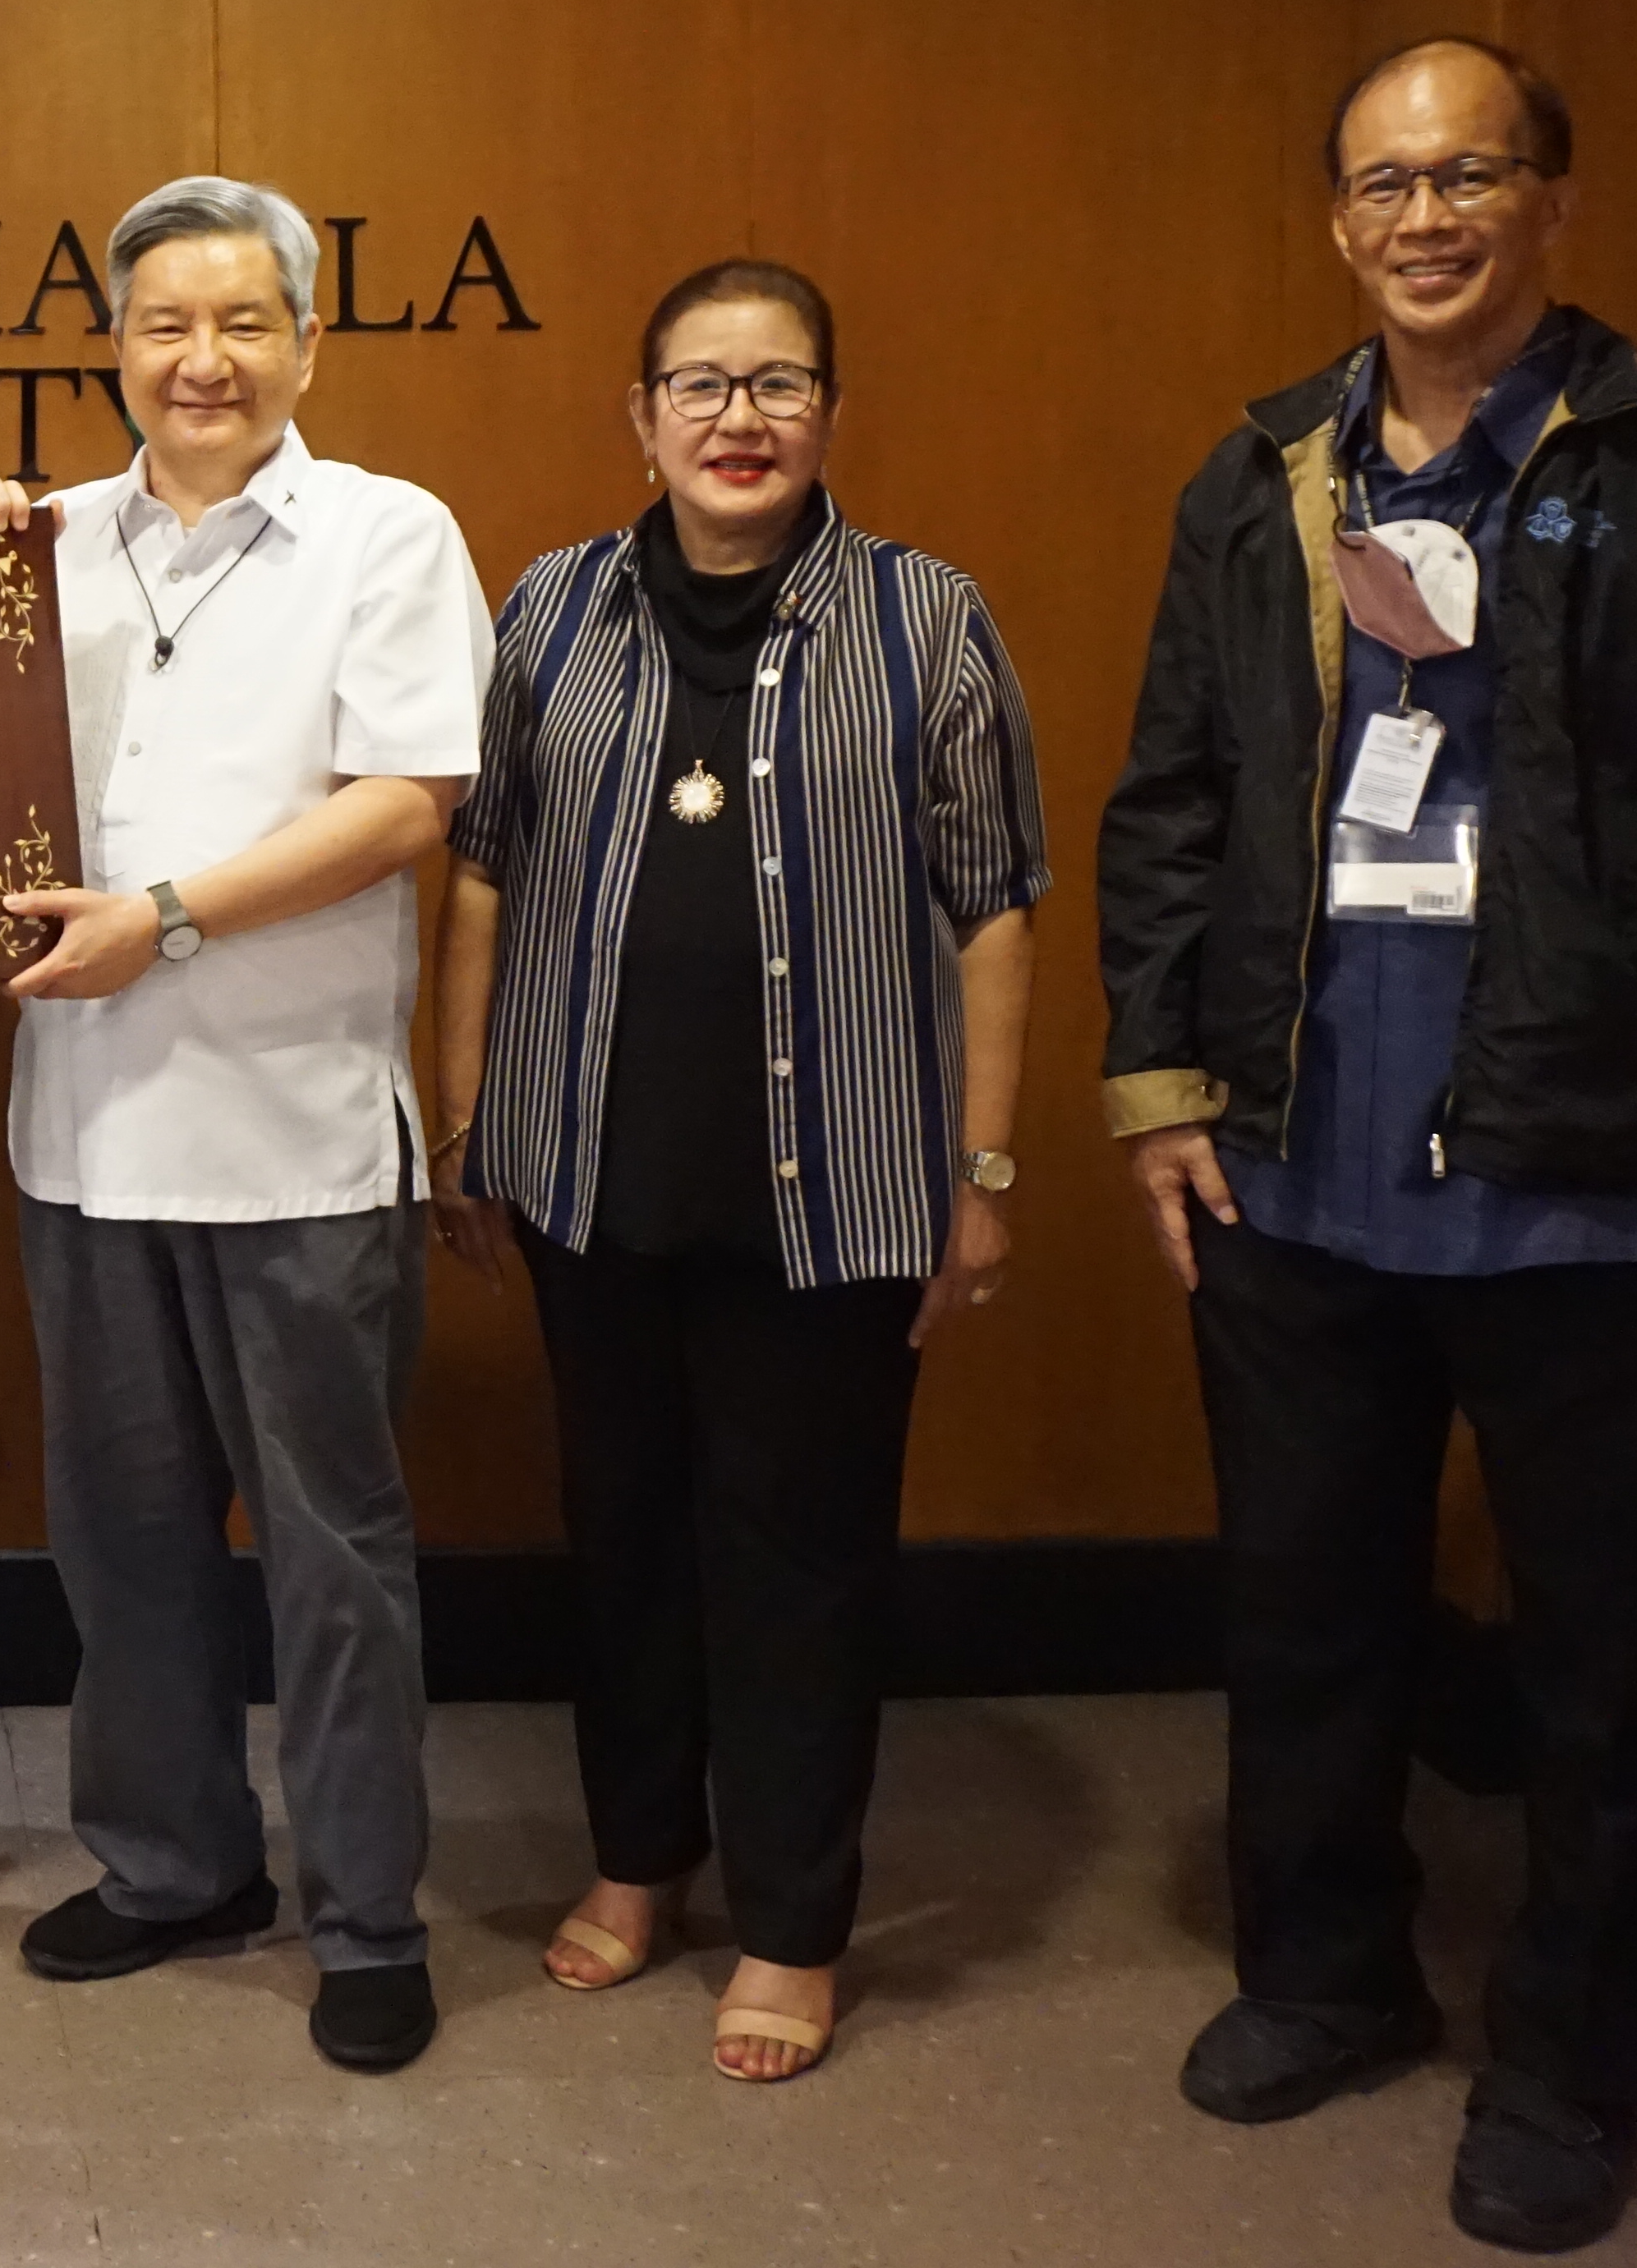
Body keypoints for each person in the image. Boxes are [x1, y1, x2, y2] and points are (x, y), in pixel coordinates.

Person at [1099, 37, 1637, 2255]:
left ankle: (1575, 2060)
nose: (1425, 216)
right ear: (1338, 221)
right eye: (1384, 183)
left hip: (1605, 1184)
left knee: (1607, 1666)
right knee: (1309, 1619)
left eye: (1471, 175)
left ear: (1552, 200)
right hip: (1302, 1171)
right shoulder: (1268, 474)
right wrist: (1156, 1083)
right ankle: (1327, 1970)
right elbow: (1173, 799)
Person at [422, 258, 1046, 2085]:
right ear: (642, 418)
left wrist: (985, 1162)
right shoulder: (551, 608)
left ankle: (790, 1919)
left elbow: (996, 904)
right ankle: (639, 1862)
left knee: (796, 1555)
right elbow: (477, 869)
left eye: (777, 383)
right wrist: (460, 1120)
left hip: (836, 1186)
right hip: (584, 1167)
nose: (738, 417)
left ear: (828, 414)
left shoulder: (927, 619)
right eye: (699, 384)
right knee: (621, 1536)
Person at [0, 175, 486, 2078]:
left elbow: (409, 798)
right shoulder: (45, 535)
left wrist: (161, 916)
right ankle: (175, 1865)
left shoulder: (386, 533)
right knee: (127, 1538)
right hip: (80, 1133)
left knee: (335, 1547)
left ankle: (367, 1909)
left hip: (301, 1136)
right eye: (168, 323)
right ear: (117, 346)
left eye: (245, 322)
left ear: (307, 344)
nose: (205, 359)